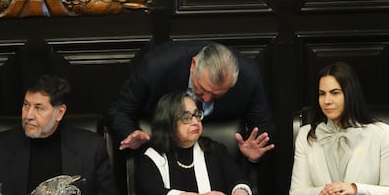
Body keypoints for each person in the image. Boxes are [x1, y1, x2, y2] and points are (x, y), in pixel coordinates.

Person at [105, 40, 276, 162]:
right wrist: (133, 135)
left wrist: (253, 154)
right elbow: (119, 110)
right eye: (202, 90)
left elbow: (262, 127)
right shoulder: (157, 67)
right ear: (193, 65)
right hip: (165, 153)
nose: (207, 99)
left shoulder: (248, 76)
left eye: (217, 95)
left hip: (219, 159)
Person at [0, 75, 121, 195]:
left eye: (39, 108)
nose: (28, 115)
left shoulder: (91, 148)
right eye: (26, 105)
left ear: (60, 113)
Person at [289, 62, 389, 195]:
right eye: (322, 94)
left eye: (335, 93)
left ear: (350, 94)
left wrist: (355, 189)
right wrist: (326, 192)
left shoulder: (383, 133)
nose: (327, 101)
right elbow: (296, 193)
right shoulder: (306, 135)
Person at [136, 92, 255, 195]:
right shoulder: (153, 155)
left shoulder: (214, 150)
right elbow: (149, 194)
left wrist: (240, 192)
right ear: (168, 122)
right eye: (186, 117)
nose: (195, 122)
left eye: (197, 114)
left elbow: (237, 178)